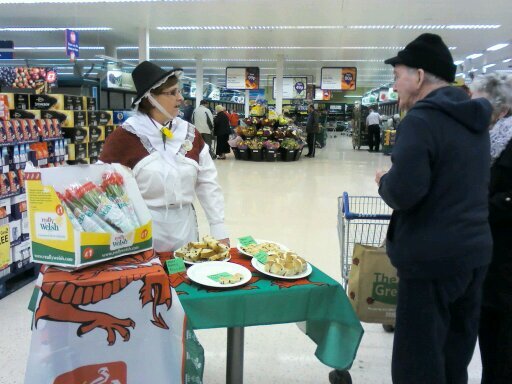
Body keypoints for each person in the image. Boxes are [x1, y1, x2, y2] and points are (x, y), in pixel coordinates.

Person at [375, 33, 493, 384]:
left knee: (418, 365)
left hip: (430, 260)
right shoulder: (475, 119)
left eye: (398, 76)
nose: (394, 86)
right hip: (473, 255)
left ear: (420, 76)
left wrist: (384, 181)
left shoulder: (421, 120)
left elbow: (405, 192)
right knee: (454, 358)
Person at [99, 61, 229, 253]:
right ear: (150, 98)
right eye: (172, 92)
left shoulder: (189, 134)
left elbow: (207, 183)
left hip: (185, 228)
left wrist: (219, 228)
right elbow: (103, 188)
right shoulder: (125, 137)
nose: (180, 98)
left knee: (184, 277)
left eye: (179, 91)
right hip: (144, 231)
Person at [470, 73, 512, 383]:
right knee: (489, 336)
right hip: (489, 257)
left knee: (503, 346)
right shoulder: (488, 141)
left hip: (506, 264)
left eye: (477, 103)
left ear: (502, 110)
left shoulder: (505, 145)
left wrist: (473, 208)